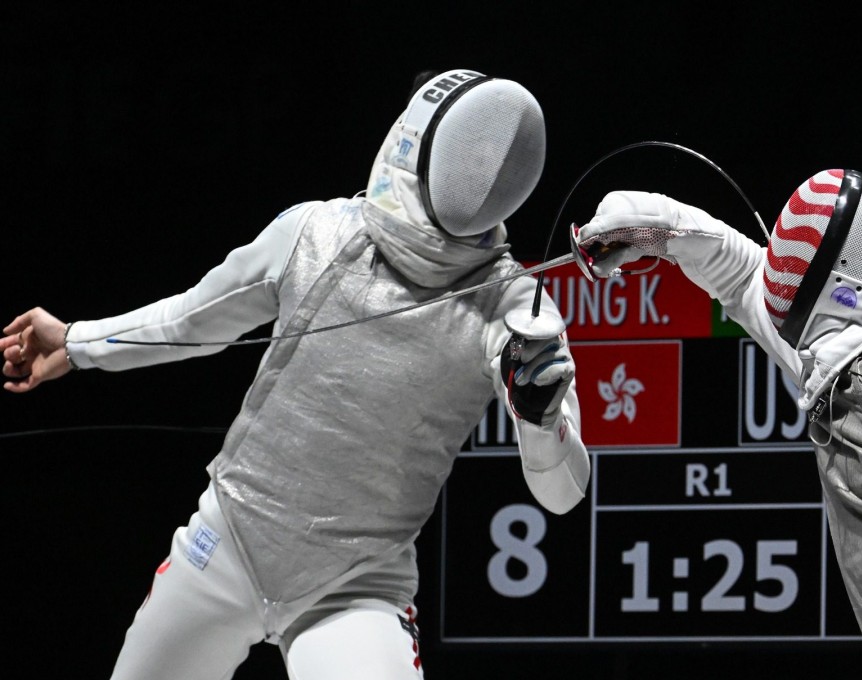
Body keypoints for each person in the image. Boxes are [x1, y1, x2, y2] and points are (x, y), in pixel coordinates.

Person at [1, 69, 590, 680]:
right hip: (227, 545)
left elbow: (562, 493)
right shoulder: (318, 233)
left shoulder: (515, 309)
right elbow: (191, 319)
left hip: (354, 589)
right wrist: (75, 342)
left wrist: (541, 419)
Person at [572, 170, 862, 680]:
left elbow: (748, 280)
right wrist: (662, 228)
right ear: (850, 283)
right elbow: (743, 278)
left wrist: (666, 227)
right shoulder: (839, 366)